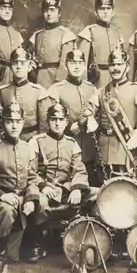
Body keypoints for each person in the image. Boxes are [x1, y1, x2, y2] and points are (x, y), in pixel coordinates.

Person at [79, 43, 137, 260]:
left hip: (127, 153)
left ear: (126, 65)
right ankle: (108, 243)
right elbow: (86, 112)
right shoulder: (101, 92)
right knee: (105, 198)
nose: (115, 68)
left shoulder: (136, 89)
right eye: (112, 64)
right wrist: (88, 119)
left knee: (127, 197)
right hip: (104, 152)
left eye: (119, 64)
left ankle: (128, 242)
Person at [23, 103, 100, 263]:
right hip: (43, 189)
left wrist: (77, 188)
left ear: (66, 122)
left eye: (61, 119)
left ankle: (91, 238)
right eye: (53, 119)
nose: (57, 123)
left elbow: (79, 169)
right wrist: (42, 186)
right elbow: (29, 171)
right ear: (48, 121)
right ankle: (37, 242)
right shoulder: (36, 141)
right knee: (41, 203)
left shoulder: (72, 143)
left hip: (65, 190)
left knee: (100, 193)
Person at [0, 103, 41, 273]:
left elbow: (33, 179)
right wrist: (2, 196)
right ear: (2, 124)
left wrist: (31, 199)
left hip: (20, 200)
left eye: (18, 121)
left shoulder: (28, 149)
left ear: (22, 123)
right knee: (6, 209)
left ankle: (32, 245)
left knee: (40, 201)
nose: (14, 125)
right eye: (10, 121)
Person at [47, 43, 100, 186]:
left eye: (80, 63)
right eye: (72, 62)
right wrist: (70, 126)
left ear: (84, 66)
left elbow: (97, 113)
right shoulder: (56, 89)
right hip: (66, 144)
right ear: (66, 65)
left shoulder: (91, 88)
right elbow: (51, 117)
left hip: (89, 146)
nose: (76, 66)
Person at [0, 46, 52, 142]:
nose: (18, 66)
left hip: (31, 142)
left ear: (29, 67)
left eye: (23, 63)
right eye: (15, 63)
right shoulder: (1, 92)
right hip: (7, 142)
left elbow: (45, 125)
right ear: (11, 67)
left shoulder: (39, 92)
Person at [28, 0, 76, 89]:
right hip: (37, 80)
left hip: (55, 80)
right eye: (46, 11)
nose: (49, 14)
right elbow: (30, 58)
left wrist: (58, 84)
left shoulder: (66, 35)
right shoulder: (37, 35)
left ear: (59, 13)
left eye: (52, 10)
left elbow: (65, 64)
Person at [78, 0, 124, 88]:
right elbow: (82, 63)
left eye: (108, 8)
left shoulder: (117, 33)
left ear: (113, 12)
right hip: (97, 80)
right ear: (95, 12)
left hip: (115, 78)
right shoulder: (89, 31)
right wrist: (85, 86)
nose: (105, 12)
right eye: (102, 9)